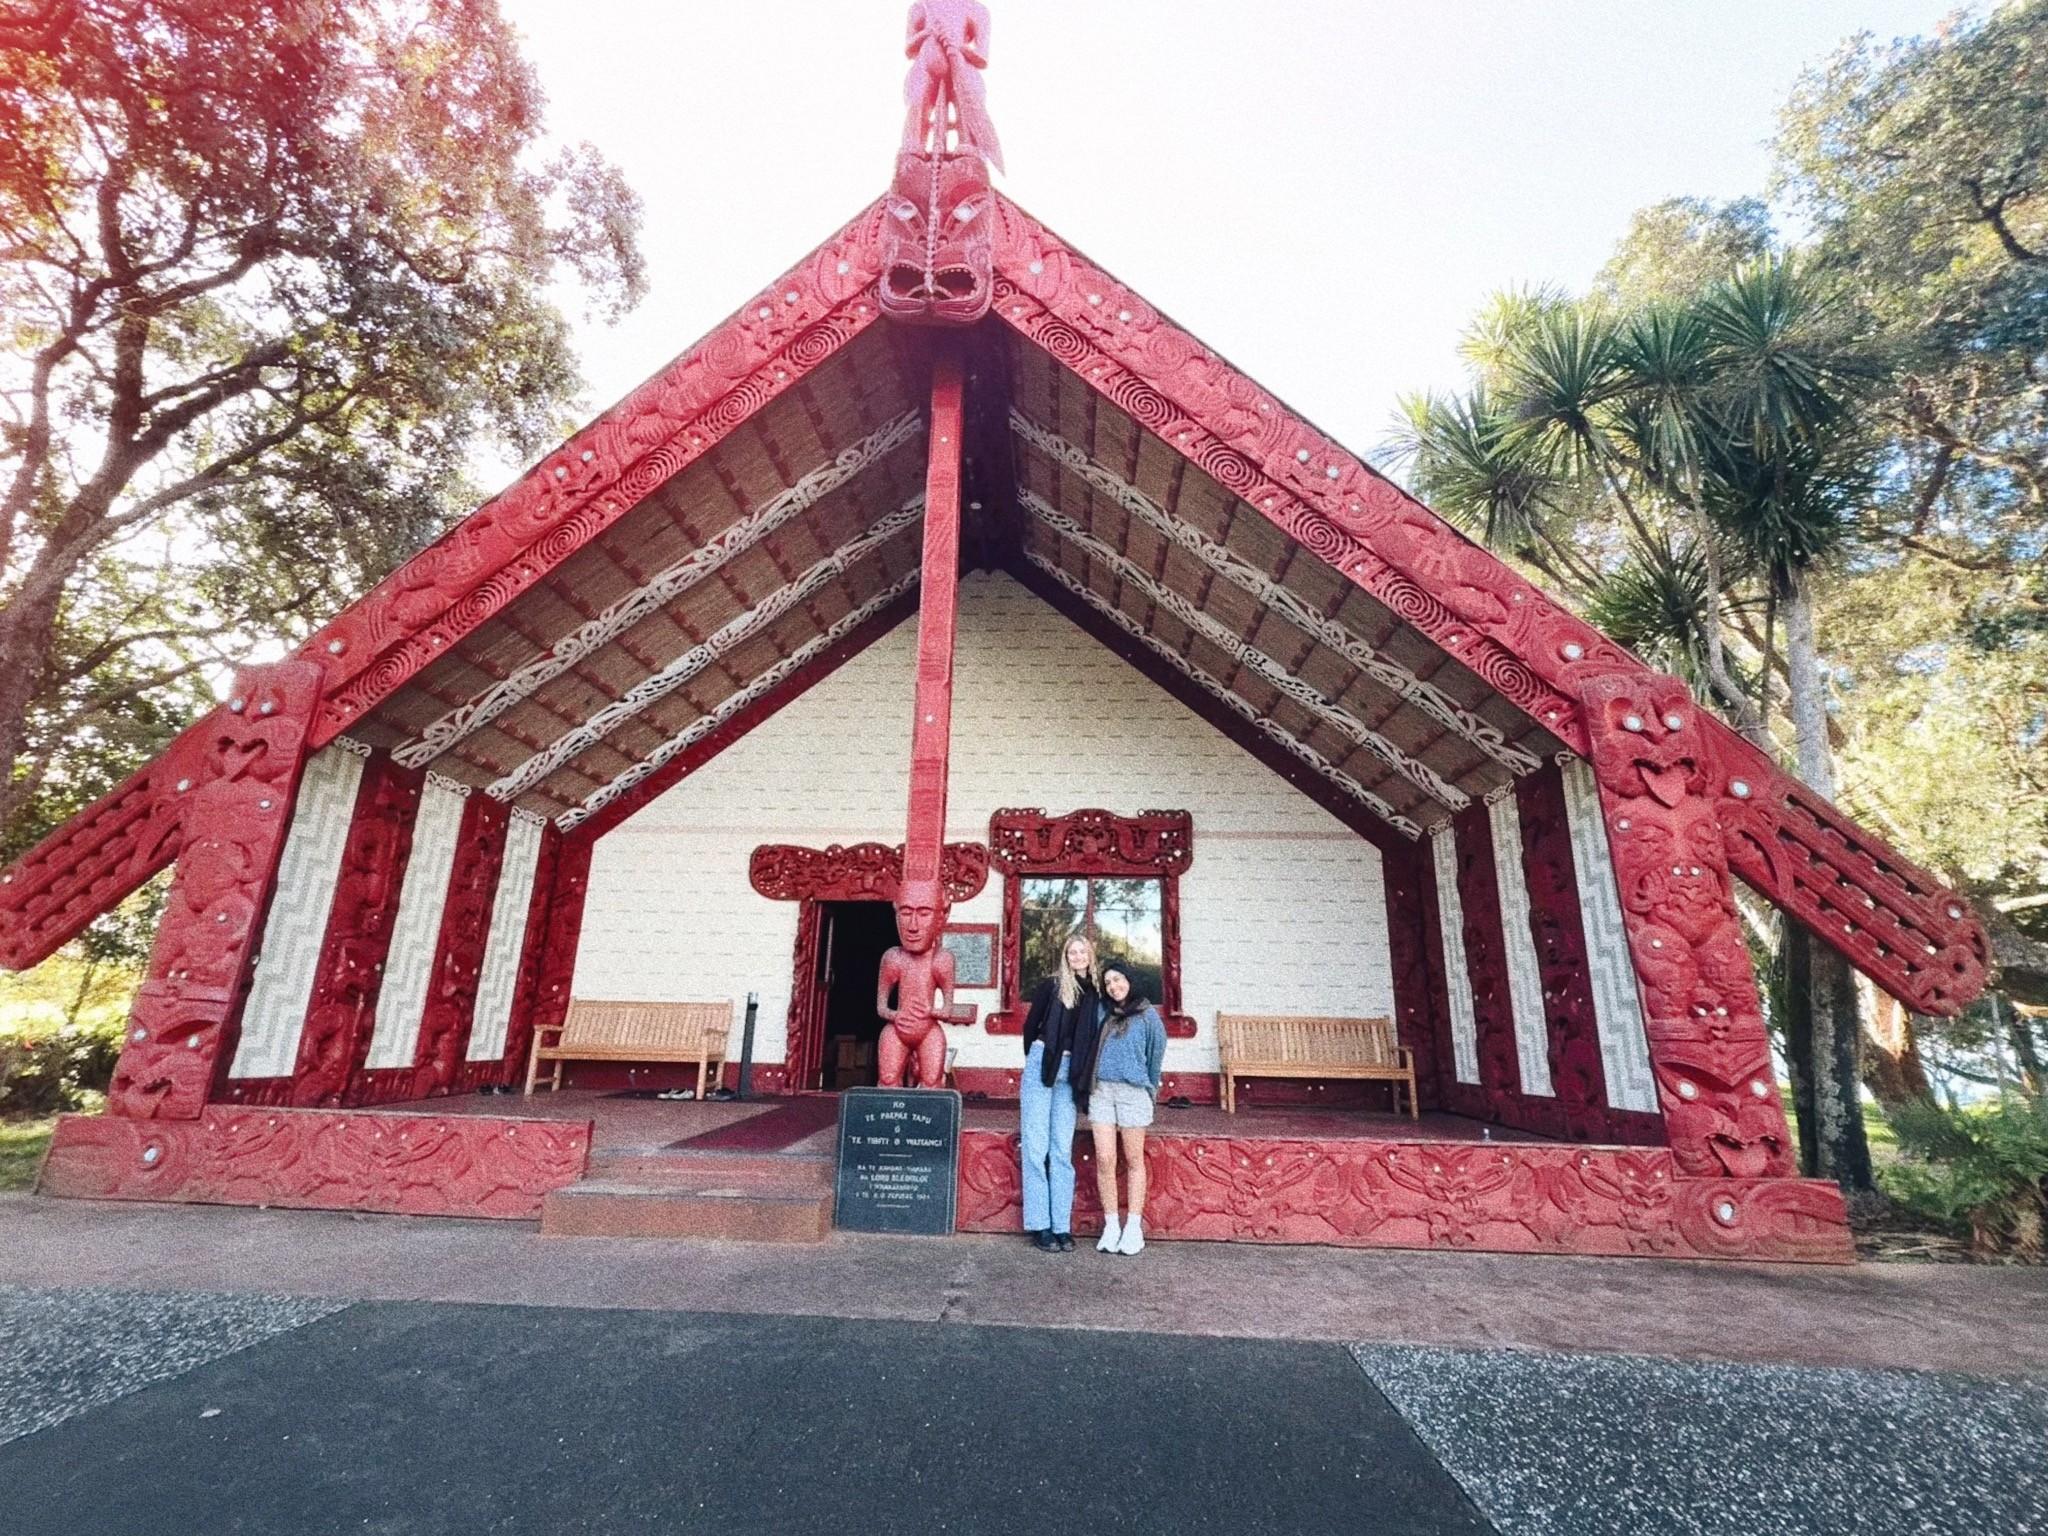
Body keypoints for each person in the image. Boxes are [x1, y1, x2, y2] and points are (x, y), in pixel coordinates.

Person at [1018, 931, 1099, 1252]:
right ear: (1066, 957)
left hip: (1072, 1072)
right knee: (1036, 1148)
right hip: (1043, 1064)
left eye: (1082, 951)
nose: (1077, 956)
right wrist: (1041, 1057)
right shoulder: (1052, 986)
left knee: (1061, 1151)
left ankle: (1061, 1226)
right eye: (1072, 952)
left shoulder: (1095, 992)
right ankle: (1041, 1226)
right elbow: (1029, 1028)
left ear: (1090, 955)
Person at [1085, 961, 1167, 1256]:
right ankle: (1111, 1225)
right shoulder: (1103, 1013)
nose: (1114, 987)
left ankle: (1133, 1227)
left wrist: (1149, 1088)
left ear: (1129, 980)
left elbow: (1155, 1054)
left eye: (1118, 980)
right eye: (1108, 983)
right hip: (1102, 1091)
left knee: (1133, 1159)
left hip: (1134, 1092)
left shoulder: (1147, 1015)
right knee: (1106, 1159)